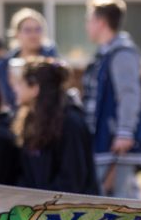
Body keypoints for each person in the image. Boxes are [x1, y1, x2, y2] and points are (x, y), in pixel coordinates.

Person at [82, 0, 141, 199]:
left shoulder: (122, 54)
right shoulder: (103, 54)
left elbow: (129, 94)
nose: (87, 26)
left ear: (101, 22)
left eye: (89, 20)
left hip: (115, 145)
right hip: (103, 143)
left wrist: (124, 132)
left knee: (122, 202)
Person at [12, 58, 99, 194]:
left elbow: (72, 180)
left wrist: (42, 201)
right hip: (35, 205)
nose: (15, 89)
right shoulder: (30, 121)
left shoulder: (70, 123)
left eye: (20, 84)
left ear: (35, 88)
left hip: (67, 206)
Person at [0, 8, 58, 110]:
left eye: (38, 29)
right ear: (16, 34)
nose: (33, 35)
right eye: (28, 30)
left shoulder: (51, 61)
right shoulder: (4, 65)